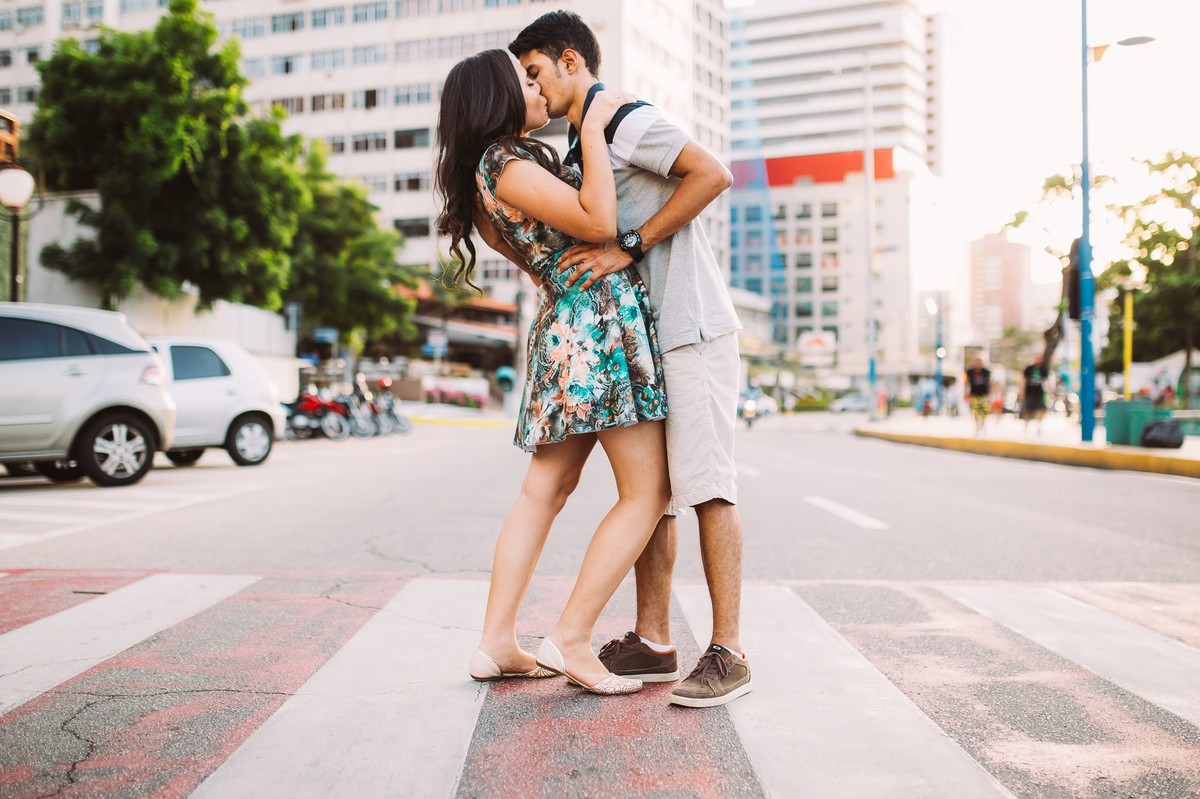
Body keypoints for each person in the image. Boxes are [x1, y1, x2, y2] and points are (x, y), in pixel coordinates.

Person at [509, 11, 751, 708]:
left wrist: (633, 243)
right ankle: (653, 638)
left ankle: (729, 648)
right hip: (643, 341)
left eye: (534, 73)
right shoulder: (586, 144)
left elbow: (712, 173)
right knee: (658, 498)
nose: (532, 88)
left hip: (691, 325)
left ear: (570, 62)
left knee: (708, 485)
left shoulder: (621, 120)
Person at [434, 49, 671, 696]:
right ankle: (570, 635)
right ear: (497, 99)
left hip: (568, 327)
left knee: (545, 491)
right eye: (525, 80)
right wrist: (592, 128)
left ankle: (498, 642)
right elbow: (598, 221)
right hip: (594, 323)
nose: (538, 86)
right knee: (647, 491)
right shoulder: (504, 163)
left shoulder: (490, 173)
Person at [964, 357, 992, 434]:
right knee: (975, 411)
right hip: (974, 394)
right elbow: (966, 383)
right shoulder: (970, 372)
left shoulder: (986, 372)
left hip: (984, 394)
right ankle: (977, 425)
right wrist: (966, 392)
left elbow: (990, 382)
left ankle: (982, 423)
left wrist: (990, 393)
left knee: (985, 410)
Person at [1021, 357, 1047, 433]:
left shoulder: (1043, 369)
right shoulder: (1029, 369)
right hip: (1030, 392)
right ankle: (1026, 423)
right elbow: (1024, 380)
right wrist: (1022, 390)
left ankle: (1038, 426)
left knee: (1040, 409)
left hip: (1039, 392)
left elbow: (1046, 381)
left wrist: (1050, 391)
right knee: (1028, 409)